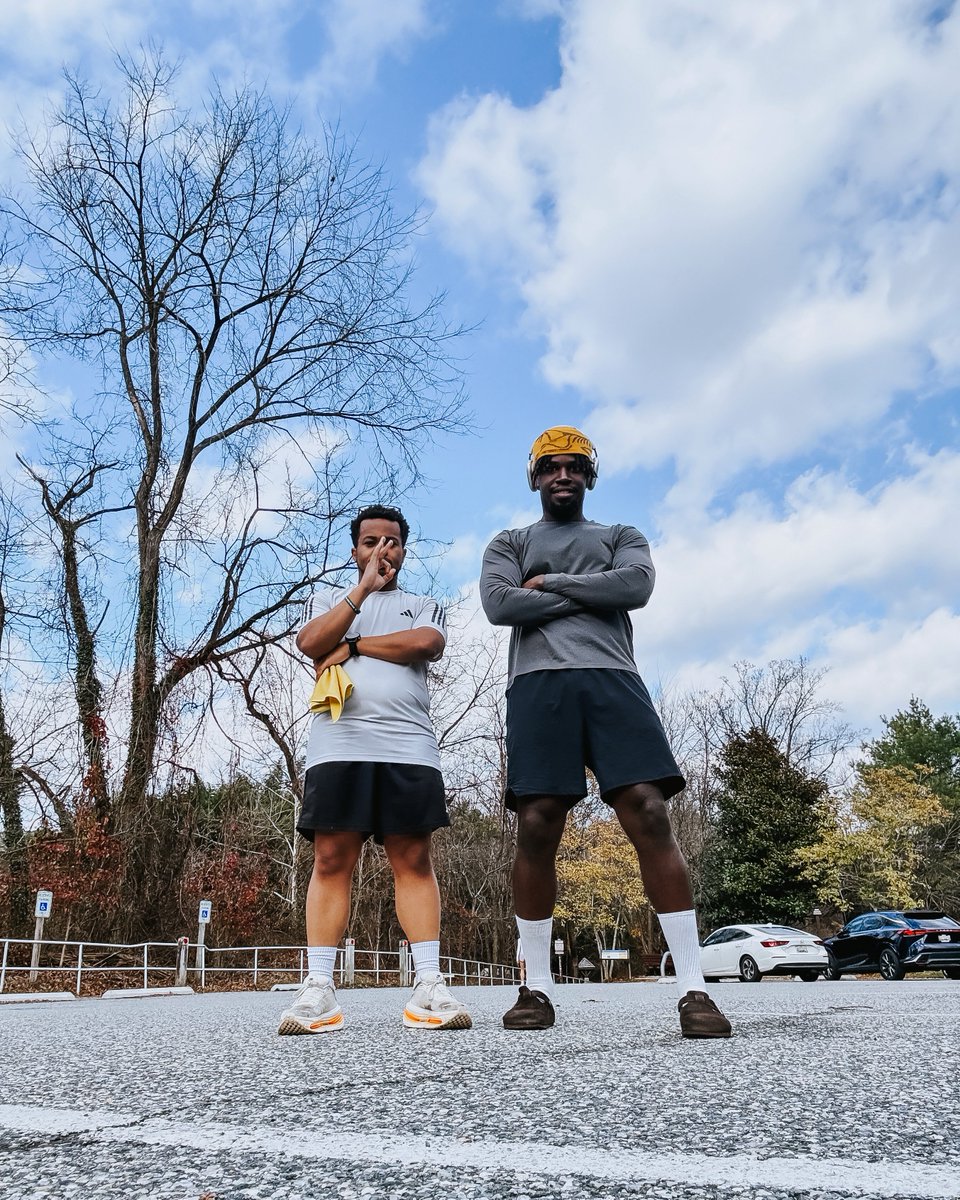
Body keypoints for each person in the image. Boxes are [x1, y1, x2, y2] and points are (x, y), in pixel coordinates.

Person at [479, 427, 731, 1039]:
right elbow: (500, 606)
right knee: (537, 821)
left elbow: (635, 587)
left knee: (650, 811)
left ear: (590, 476)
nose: (562, 475)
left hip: (614, 680)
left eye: (574, 467)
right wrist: (596, 592)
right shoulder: (510, 542)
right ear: (535, 477)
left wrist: (550, 584)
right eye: (550, 467)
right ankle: (536, 986)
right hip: (538, 685)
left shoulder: (621, 535)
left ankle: (694, 989)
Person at [278, 504, 471, 1034]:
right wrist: (361, 592)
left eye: (392, 542)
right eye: (371, 542)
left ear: (404, 551)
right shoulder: (330, 600)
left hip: (408, 746)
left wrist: (356, 646)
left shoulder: (421, 604)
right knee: (330, 858)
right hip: (339, 744)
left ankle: (428, 985)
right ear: (355, 550)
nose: (382, 550)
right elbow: (311, 643)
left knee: (413, 858)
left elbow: (425, 644)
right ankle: (319, 989)